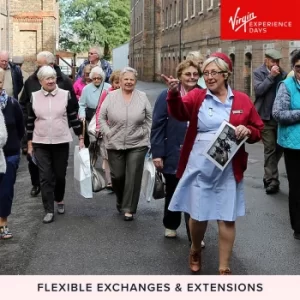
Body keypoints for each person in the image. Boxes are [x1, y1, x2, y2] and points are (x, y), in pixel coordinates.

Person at [162, 52, 263, 274]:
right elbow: (179, 112)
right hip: (200, 165)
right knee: (198, 215)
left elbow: (258, 130)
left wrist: (248, 130)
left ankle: (224, 268)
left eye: (213, 72)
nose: (208, 77)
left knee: (227, 217)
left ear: (225, 74)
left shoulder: (242, 100)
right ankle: (195, 248)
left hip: (228, 168)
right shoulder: (197, 96)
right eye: (205, 73)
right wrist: (173, 95)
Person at [151, 60, 204, 244]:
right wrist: (157, 153)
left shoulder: (205, 95)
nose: (192, 77)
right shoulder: (166, 95)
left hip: (198, 153)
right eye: (187, 74)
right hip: (173, 151)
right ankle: (171, 224)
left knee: (196, 193)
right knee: (174, 190)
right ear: (180, 76)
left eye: (195, 74)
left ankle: (194, 234)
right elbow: (157, 126)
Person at [26, 66, 84, 224]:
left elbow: (73, 116)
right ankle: (48, 210)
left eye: (53, 78)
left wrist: (80, 136)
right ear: (40, 81)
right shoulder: (34, 96)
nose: (51, 81)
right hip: (40, 142)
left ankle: (59, 198)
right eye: (47, 78)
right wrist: (29, 143)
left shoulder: (65, 95)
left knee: (59, 175)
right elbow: (30, 120)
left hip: (61, 141)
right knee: (45, 177)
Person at [19, 51, 79, 198]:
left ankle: (55, 195)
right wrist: (28, 120)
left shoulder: (64, 81)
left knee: (56, 171)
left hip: (57, 133)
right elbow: (22, 102)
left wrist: (64, 125)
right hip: (35, 128)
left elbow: (72, 107)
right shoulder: (31, 81)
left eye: (41, 65)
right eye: (37, 65)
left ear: (51, 65)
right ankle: (36, 184)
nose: (37, 68)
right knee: (33, 161)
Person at [99, 67, 152, 221]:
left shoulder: (142, 96)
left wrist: (145, 132)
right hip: (114, 142)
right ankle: (121, 200)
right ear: (120, 81)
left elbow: (149, 117)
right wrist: (108, 132)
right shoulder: (111, 96)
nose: (129, 82)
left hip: (137, 142)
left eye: (132, 79)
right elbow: (102, 117)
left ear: (135, 81)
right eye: (126, 79)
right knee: (117, 176)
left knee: (133, 176)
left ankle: (129, 208)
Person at [272, 50, 300, 240]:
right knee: (297, 187)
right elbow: (278, 113)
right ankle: (298, 227)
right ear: (293, 68)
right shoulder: (286, 86)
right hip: (294, 145)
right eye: (298, 68)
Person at [253, 49, 286, 194]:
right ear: (266, 60)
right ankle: (272, 180)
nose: (276, 64)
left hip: (279, 119)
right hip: (265, 118)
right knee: (270, 148)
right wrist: (271, 76)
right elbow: (259, 91)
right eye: (273, 61)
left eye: (278, 61)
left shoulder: (284, 74)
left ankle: (269, 173)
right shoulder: (258, 73)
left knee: (279, 148)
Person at [0, 68, 25, 239]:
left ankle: (3, 223)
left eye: (0, 81)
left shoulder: (12, 103)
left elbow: (20, 127)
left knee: (5, 191)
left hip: (9, 154)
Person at [95, 70, 121, 190]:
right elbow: (100, 110)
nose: (119, 85)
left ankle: (119, 178)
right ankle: (109, 181)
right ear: (112, 83)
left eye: (120, 82)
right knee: (107, 155)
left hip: (122, 129)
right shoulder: (107, 93)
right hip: (108, 128)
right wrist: (99, 126)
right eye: (116, 82)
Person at [78, 66, 111, 148]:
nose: (96, 80)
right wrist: (82, 115)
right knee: (92, 139)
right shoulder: (86, 88)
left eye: (99, 78)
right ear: (91, 78)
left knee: (105, 140)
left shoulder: (108, 87)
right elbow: (81, 104)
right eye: (94, 78)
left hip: (105, 116)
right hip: (91, 116)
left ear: (102, 78)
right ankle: (91, 154)